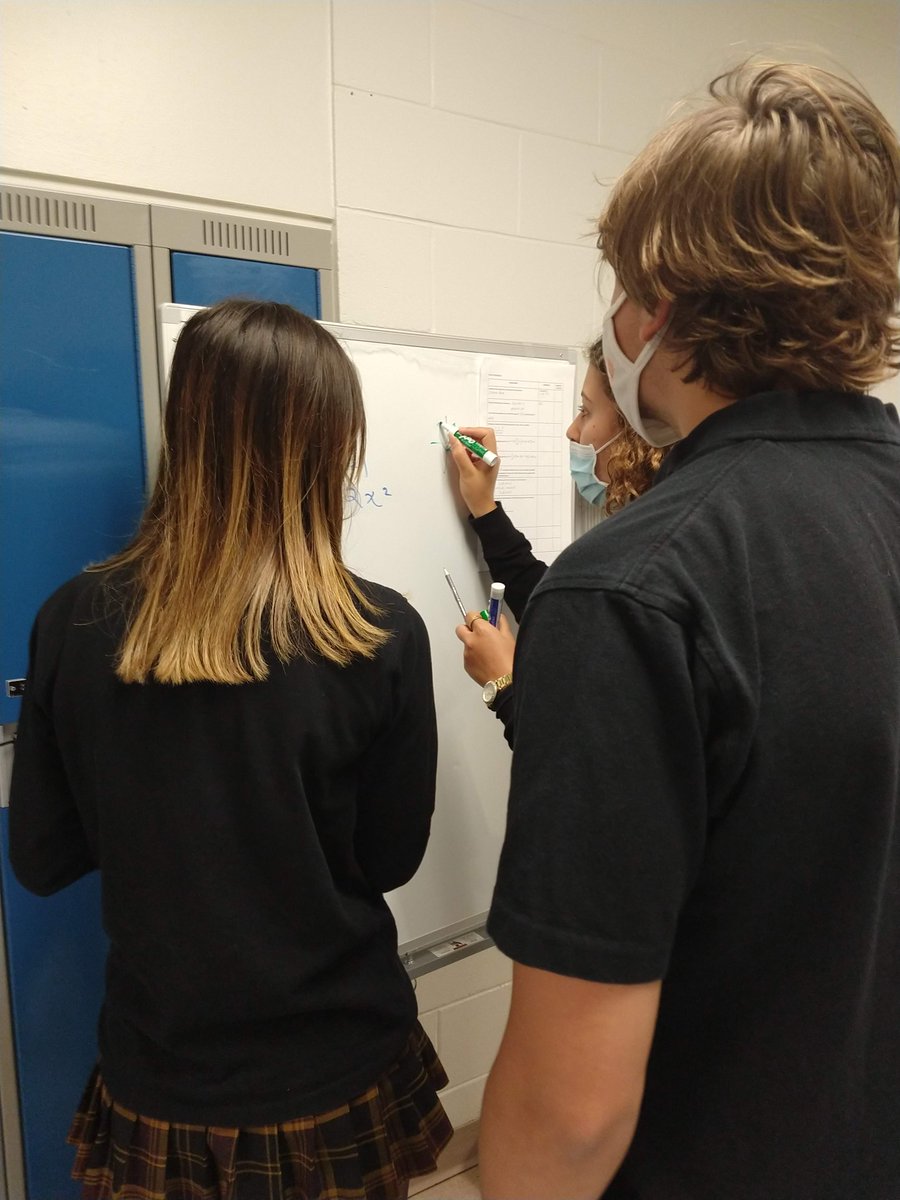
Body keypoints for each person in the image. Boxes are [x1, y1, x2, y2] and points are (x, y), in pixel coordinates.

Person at [478, 60, 900, 1200]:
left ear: (665, 306)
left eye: (618, 290)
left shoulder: (631, 593)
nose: (612, 329)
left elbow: (569, 1118)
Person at [9, 299, 452, 1200]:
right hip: (337, 1065)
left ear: (189, 433)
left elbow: (45, 860)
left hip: (162, 1072)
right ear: (327, 449)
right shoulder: (379, 632)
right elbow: (389, 858)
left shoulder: (73, 621)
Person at [448, 337, 666, 745]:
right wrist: (484, 507)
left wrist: (505, 685)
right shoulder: (659, 540)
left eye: (585, 411)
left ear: (637, 432)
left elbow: (583, 757)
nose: (572, 429)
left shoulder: (643, 572)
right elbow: (554, 606)